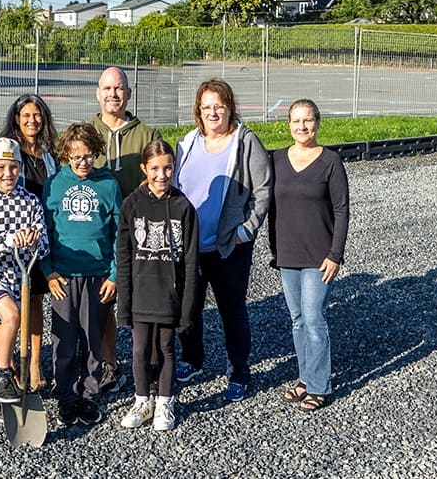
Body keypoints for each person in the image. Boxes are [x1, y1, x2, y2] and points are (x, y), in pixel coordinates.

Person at [173, 78, 272, 403]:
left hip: (229, 247)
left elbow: (263, 190)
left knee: (232, 311)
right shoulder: (187, 143)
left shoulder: (245, 142)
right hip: (190, 247)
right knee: (188, 310)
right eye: (206, 107)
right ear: (198, 112)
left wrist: (247, 230)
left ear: (229, 108)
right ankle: (193, 359)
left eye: (219, 106)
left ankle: (239, 372)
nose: (213, 112)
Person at [269, 99, 349, 413]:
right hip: (287, 254)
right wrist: (273, 248)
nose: (302, 127)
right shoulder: (276, 160)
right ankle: (305, 377)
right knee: (298, 320)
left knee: (315, 320)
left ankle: (319, 386)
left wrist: (335, 254)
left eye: (308, 120)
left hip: (320, 257)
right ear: (288, 124)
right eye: (296, 121)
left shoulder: (330, 161)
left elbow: (341, 211)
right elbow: (271, 207)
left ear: (318, 122)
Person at [41, 123, 122, 427]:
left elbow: (118, 234)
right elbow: (44, 233)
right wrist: (48, 272)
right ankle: (65, 394)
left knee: (91, 338)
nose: (83, 163)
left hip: (98, 275)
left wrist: (114, 274)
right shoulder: (54, 185)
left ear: (96, 154)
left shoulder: (109, 185)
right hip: (63, 276)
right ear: (66, 156)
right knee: (64, 338)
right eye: (76, 158)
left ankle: (89, 394)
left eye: (88, 156)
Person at [116, 139, 198, 431]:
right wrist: (123, 304)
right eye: (154, 169)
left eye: (167, 168)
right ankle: (142, 400)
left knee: (165, 346)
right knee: (139, 350)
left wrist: (187, 307)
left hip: (168, 295)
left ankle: (165, 401)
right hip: (141, 293)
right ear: (144, 168)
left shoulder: (183, 207)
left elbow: (190, 262)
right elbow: (123, 256)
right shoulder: (132, 204)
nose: (161, 175)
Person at [89, 66, 161, 393]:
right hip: (98, 236)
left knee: (144, 301)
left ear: (129, 94)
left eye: (119, 88)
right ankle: (109, 363)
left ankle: (149, 362)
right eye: (107, 88)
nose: (113, 94)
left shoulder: (147, 135)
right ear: (97, 93)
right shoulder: (86, 133)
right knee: (104, 301)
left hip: (139, 232)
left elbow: (160, 179)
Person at [0, 137, 49, 423]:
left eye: (13, 167)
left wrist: (32, 241)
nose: (8, 174)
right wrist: (12, 239)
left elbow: (44, 246)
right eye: (1, 167)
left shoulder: (30, 201)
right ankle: (5, 374)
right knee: (11, 316)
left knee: (2, 329)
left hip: (21, 278)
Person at [0, 94, 58, 392]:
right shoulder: (8, 153)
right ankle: (6, 362)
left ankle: (34, 362)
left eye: (37, 115)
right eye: (26, 116)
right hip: (12, 240)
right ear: (16, 119)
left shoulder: (50, 156)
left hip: (39, 239)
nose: (32, 121)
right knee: (9, 305)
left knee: (34, 302)